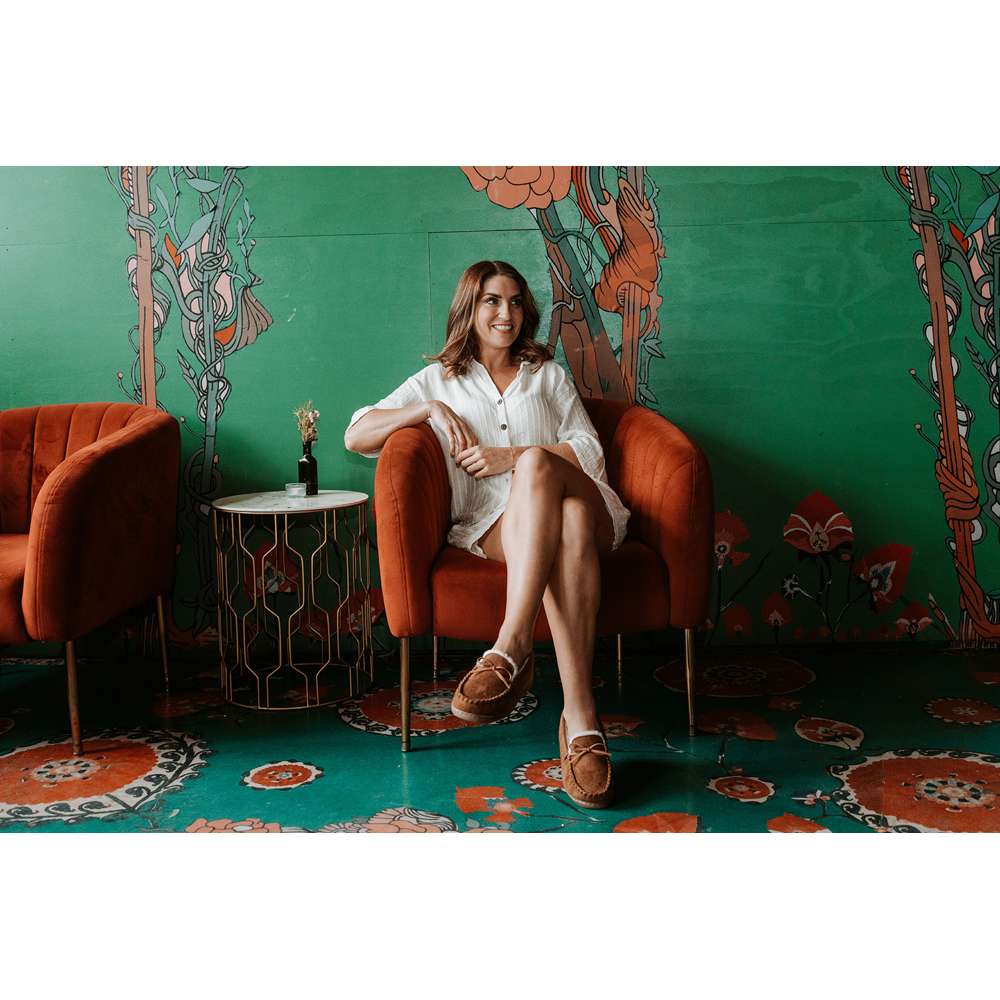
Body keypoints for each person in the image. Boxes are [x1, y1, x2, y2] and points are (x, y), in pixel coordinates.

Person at [344, 260, 629, 808]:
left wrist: (513, 455)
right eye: (492, 301)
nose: (506, 313)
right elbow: (356, 434)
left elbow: (589, 451)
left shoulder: (545, 374)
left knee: (542, 470)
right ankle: (581, 720)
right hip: (498, 526)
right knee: (565, 522)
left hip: (594, 510)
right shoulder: (438, 381)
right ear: (469, 309)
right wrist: (426, 409)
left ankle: (511, 645)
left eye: (516, 301)